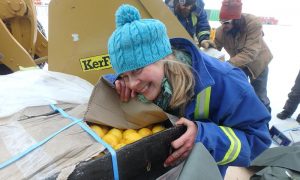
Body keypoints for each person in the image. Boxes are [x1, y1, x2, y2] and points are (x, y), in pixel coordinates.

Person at [106, 4, 271, 177]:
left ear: (164, 58)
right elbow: (122, 79)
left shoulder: (226, 81)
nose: (131, 84)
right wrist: (117, 82)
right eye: (125, 76)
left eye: (137, 70)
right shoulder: (149, 78)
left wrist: (203, 137)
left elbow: (258, 141)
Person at [214, 0, 273, 113]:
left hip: (258, 63)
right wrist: (208, 46)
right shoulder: (221, 31)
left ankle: (264, 123)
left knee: (259, 96)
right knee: (241, 93)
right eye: (221, 21)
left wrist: (226, 65)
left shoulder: (253, 24)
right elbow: (215, 47)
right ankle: (245, 118)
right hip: (239, 65)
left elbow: (250, 52)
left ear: (236, 20)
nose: (223, 25)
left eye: (226, 22)